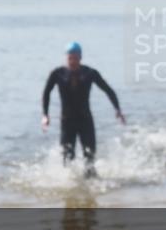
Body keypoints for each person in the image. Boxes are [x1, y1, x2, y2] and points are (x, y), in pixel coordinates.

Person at [41, 42, 125, 173]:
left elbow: (108, 90)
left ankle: (91, 186)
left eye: (75, 58)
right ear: (66, 57)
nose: (73, 61)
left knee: (90, 159)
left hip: (85, 120)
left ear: (80, 57)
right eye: (70, 58)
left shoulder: (89, 73)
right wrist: (45, 115)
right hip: (67, 121)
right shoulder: (57, 74)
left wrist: (117, 109)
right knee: (67, 159)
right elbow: (46, 93)